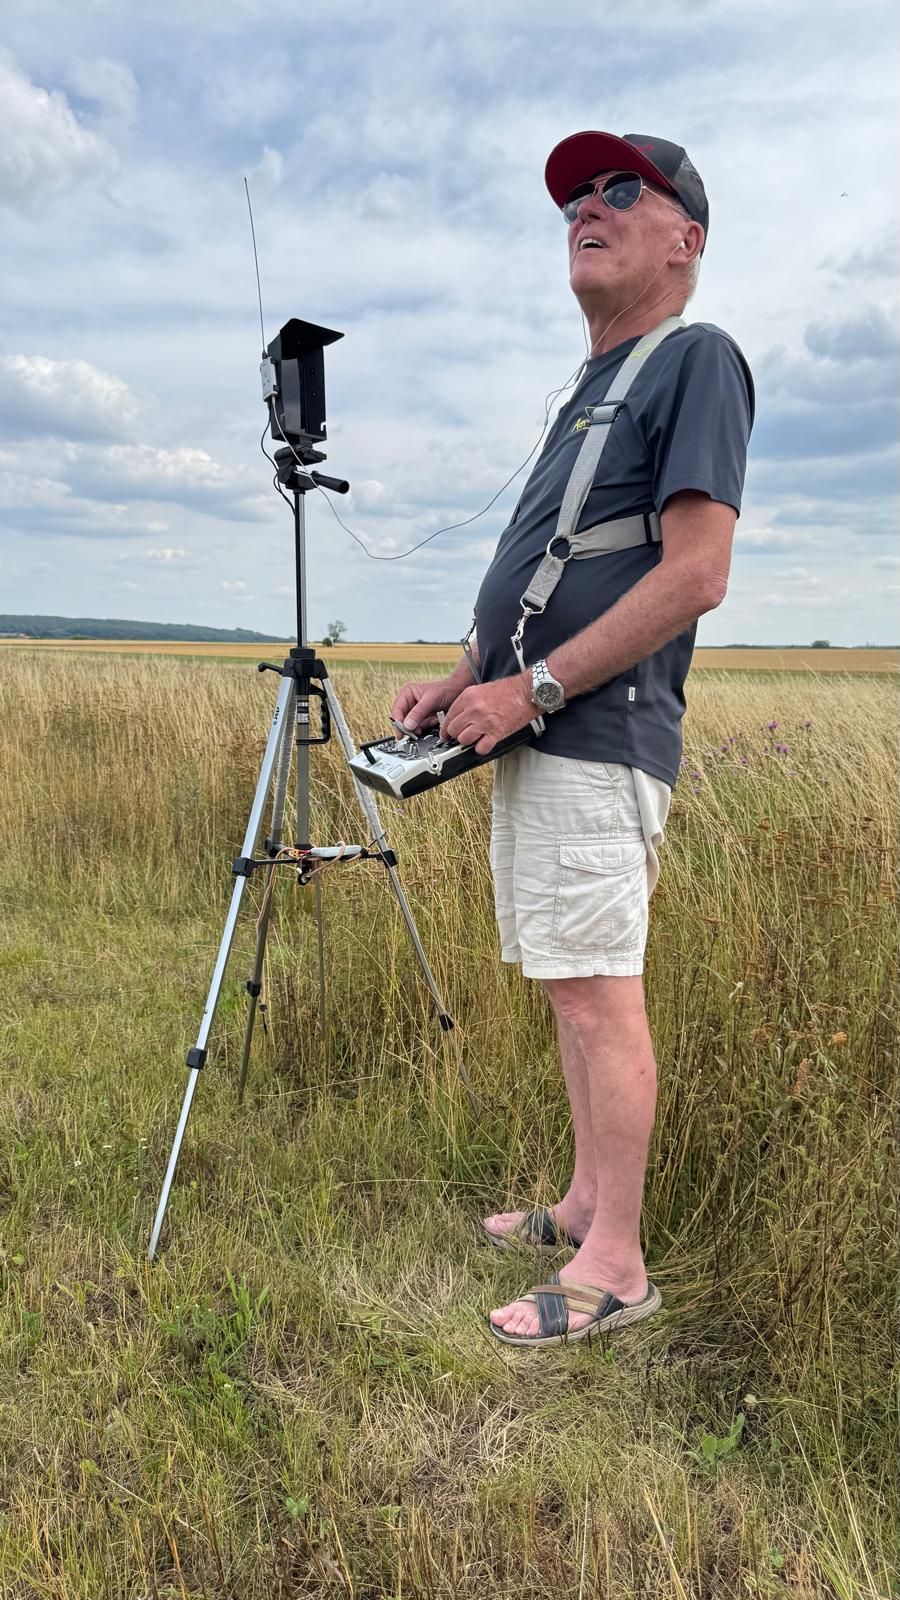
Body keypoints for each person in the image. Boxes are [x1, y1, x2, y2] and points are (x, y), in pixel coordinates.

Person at [391, 131, 755, 1349]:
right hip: (543, 728)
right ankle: (585, 1202)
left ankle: (618, 1262)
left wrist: (532, 689)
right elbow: (555, 566)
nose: (585, 210)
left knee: (599, 995)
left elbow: (696, 573)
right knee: (567, 985)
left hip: (596, 733)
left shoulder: (695, 359)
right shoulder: (593, 387)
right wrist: (465, 679)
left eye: (618, 191)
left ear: (683, 240)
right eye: (573, 201)